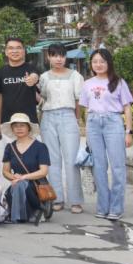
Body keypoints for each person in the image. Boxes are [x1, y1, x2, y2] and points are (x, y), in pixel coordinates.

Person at [79, 48, 133, 220]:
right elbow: (86, 109)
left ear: (109, 63)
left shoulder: (118, 82)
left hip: (113, 122)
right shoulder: (87, 84)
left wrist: (128, 131)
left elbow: (127, 108)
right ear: (91, 64)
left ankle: (116, 208)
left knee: (117, 167)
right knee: (99, 167)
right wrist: (87, 131)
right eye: (95, 61)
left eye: (102, 61)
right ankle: (103, 206)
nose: (98, 64)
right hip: (93, 124)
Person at [39, 43, 86, 214]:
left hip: (68, 116)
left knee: (71, 159)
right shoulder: (43, 77)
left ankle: (75, 200)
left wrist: (77, 119)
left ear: (66, 57)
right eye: (54, 55)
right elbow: (42, 98)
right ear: (49, 57)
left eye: (61, 55)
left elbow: (79, 100)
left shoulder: (75, 76)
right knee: (52, 160)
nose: (58, 59)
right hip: (48, 117)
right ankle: (57, 198)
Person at [2, 112, 52, 224]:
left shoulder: (40, 147)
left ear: (29, 128)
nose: (19, 128)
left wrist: (23, 177)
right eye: (15, 126)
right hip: (17, 183)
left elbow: (43, 171)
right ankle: (24, 214)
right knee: (18, 186)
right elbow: (5, 171)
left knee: (20, 185)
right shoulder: (10, 147)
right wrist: (14, 177)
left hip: (36, 185)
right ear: (12, 129)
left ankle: (24, 213)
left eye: (22, 125)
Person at [0, 37, 40, 140]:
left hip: (29, 124)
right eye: (11, 48)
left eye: (18, 48)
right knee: (10, 151)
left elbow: (35, 76)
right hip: (8, 124)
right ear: (6, 52)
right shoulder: (1, 72)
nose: (14, 51)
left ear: (23, 51)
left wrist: (32, 79)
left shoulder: (31, 68)